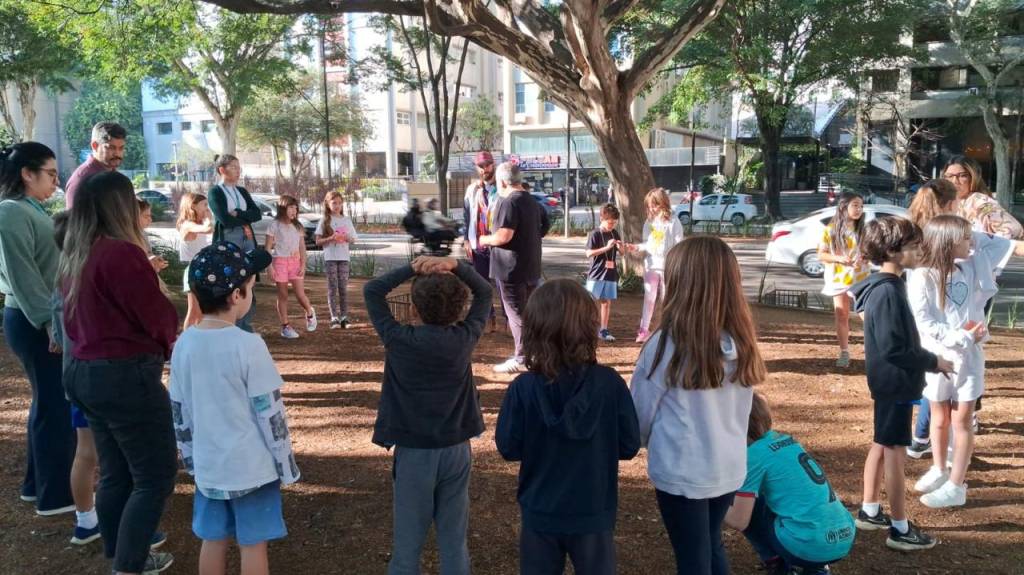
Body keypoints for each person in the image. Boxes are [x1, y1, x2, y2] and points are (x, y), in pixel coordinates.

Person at [60, 171, 179, 574]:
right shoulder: (120, 253)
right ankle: (129, 564)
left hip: (85, 372)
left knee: (116, 472)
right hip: (123, 376)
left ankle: (120, 553)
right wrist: (170, 342)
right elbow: (155, 315)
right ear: (121, 206)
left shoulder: (78, 252)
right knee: (155, 476)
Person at [631, 237, 767, 575]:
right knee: (709, 545)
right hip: (727, 470)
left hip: (681, 474)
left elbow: (640, 415)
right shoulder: (742, 342)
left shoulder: (664, 346)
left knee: (693, 558)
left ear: (680, 283)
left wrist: (636, 441)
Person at [170, 241, 300, 575]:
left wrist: (191, 462)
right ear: (236, 296)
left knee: (212, 540)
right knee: (253, 545)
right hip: (252, 470)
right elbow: (270, 413)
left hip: (209, 468)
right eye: (251, 288)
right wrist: (286, 467)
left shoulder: (183, 344)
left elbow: (179, 413)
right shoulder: (249, 345)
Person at [495, 279, 640, 575]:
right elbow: (628, 445)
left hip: (541, 509)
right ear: (589, 327)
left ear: (534, 329)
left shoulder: (523, 388)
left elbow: (509, 447)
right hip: (592, 509)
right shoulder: (609, 384)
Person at [363, 255, 492, 575]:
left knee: (407, 543)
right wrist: (455, 264)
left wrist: (412, 266)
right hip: (456, 449)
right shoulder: (464, 338)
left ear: (413, 309)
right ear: (459, 310)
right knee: (454, 540)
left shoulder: (398, 339)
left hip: (414, 452)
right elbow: (485, 292)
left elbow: (372, 290)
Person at [848, 216, 953, 552]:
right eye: (913, 245)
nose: (920, 250)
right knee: (894, 451)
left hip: (890, 384)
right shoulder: (888, 291)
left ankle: (869, 511)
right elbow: (895, 347)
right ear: (893, 251)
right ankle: (899, 528)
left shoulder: (887, 286)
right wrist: (933, 361)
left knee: (882, 444)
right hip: (894, 385)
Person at [907, 216, 1024, 508]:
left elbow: (996, 245)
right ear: (947, 242)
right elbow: (925, 322)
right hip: (937, 357)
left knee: (962, 420)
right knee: (938, 417)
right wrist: (961, 337)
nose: (971, 242)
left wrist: (976, 229)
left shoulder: (970, 266)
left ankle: (956, 485)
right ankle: (939, 468)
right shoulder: (922, 276)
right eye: (965, 238)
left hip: (969, 358)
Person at [0, 142, 76, 516]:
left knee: (47, 401)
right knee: (54, 405)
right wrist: (48, 323)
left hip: (41, 318)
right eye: (50, 173)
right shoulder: (10, 211)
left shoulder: (29, 208)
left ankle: (37, 486)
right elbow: (23, 274)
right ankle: (56, 495)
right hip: (33, 321)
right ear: (27, 174)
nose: (55, 181)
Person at [724, 393, 854, 575]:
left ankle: (777, 564)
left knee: (748, 501)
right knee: (783, 498)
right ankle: (816, 569)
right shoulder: (787, 441)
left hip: (808, 544)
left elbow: (739, 521)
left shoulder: (753, 455)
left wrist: (711, 502)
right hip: (844, 536)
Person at [480, 161, 551, 374]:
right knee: (527, 313)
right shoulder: (532, 201)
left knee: (516, 314)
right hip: (531, 266)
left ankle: (522, 357)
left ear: (503, 181)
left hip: (510, 268)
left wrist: (484, 239)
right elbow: (545, 226)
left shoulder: (508, 202)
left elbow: (504, 236)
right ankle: (535, 352)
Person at [207, 154, 262, 332]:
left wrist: (238, 213)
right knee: (232, 279)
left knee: (249, 279)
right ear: (222, 170)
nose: (238, 171)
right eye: (233, 167)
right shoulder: (216, 192)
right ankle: (229, 325)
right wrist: (245, 217)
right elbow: (224, 219)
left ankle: (245, 324)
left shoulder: (242, 191)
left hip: (247, 236)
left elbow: (257, 214)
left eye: (239, 167)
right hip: (229, 236)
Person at [817, 192, 868, 368]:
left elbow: (872, 251)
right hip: (838, 279)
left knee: (867, 315)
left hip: (861, 278)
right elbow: (821, 254)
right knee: (842, 314)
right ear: (843, 207)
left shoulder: (864, 229)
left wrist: (865, 258)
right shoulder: (830, 230)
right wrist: (839, 259)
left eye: (861, 206)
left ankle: (872, 349)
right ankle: (844, 352)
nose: (859, 209)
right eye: (855, 205)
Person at [634, 188, 684, 343]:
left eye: (654, 205)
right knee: (649, 297)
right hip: (651, 265)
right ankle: (643, 330)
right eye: (649, 206)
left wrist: (675, 263)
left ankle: (667, 328)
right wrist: (636, 247)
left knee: (666, 298)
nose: (652, 209)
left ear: (663, 204)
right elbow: (647, 243)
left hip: (668, 266)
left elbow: (679, 244)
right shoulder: (649, 222)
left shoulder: (674, 222)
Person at [266, 194, 316, 339]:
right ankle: (285, 326)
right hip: (280, 262)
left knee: (300, 294)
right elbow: (267, 248)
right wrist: (269, 267)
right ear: (282, 208)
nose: (294, 211)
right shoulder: (274, 225)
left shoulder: (298, 226)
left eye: (295, 208)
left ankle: (310, 312)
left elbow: (302, 247)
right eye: (291, 207)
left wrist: (303, 264)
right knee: (283, 295)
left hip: (295, 262)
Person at [943, 155, 1023, 239]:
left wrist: (988, 245)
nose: (954, 181)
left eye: (962, 175)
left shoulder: (978, 200)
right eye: (949, 176)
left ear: (973, 177)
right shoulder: (949, 202)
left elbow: (1013, 228)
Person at [463, 150, 499, 332]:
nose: (485, 169)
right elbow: (467, 216)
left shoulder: (503, 186)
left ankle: (510, 321)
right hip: (478, 245)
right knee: (482, 286)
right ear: (477, 168)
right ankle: (489, 319)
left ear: (494, 164)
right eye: (481, 166)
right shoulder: (472, 190)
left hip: (498, 245)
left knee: (502, 285)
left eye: (488, 164)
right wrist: (466, 240)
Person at [315, 191, 358, 329]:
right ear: (328, 204)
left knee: (343, 288)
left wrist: (347, 238)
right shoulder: (324, 220)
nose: (337, 205)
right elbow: (317, 241)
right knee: (332, 287)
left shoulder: (346, 220)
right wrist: (331, 238)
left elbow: (353, 239)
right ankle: (334, 317)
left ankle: (344, 317)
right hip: (330, 258)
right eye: (334, 203)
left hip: (344, 258)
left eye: (340, 203)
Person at [585, 203, 625, 342]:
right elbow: (588, 253)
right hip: (596, 273)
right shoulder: (595, 233)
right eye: (610, 222)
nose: (612, 225)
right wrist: (606, 248)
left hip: (610, 273)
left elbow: (622, 253)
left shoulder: (614, 233)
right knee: (590, 302)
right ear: (602, 218)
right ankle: (586, 328)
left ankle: (603, 329)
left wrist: (621, 247)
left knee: (606, 302)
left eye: (614, 222)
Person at [65, 121, 126, 208]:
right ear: (95, 146)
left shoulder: (116, 176)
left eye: (121, 148)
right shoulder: (82, 180)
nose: (117, 153)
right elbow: (75, 216)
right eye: (111, 148)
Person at [176, 192, 214, 329]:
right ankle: (187, 338)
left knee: (202, 312)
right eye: (204, 205)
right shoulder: (187, 225)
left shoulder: (195, 224)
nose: (207, 208)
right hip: (193, 270)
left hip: (203, 269)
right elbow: (208, 229)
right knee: (194, 312)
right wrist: (209, 218)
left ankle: (199, 336)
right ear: (193, 206)